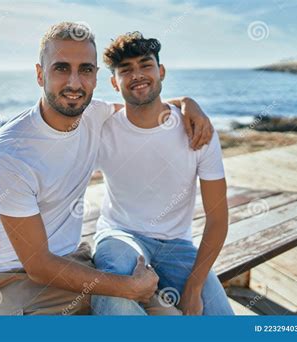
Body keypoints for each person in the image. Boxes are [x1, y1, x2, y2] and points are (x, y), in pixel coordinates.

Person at [0, 22, 214, 316]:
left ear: (96, 77)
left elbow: (142, 106)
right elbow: (38, 265)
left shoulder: (93, 114)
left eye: (85, 69)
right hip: (15, 281)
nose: (75, 83)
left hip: (73, 264)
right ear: (40, 74)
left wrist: (188, 103)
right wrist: (128, 288)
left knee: (170, 316)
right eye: (61, 68)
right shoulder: (11, 152)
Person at [90, 32, 234, 315]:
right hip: (120, 236)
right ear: (113, 82)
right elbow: (52, 172)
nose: (137, 75)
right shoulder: (102, 129)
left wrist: (193, 288)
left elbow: (218, 218)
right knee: (116, 290)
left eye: (146, 65)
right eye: (126, 70)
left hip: (177, 245)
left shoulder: (198, 130)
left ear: (161, 71)